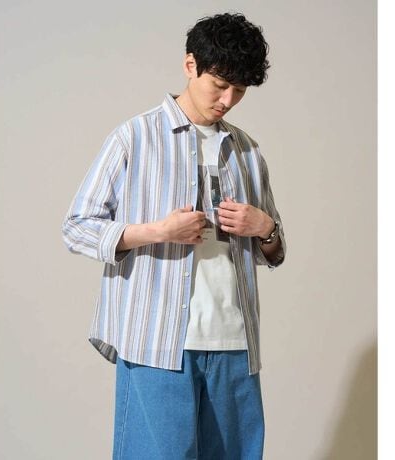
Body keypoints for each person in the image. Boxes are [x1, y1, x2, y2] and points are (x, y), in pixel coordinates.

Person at [62, 12, 286, 460]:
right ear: (190, 65)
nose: (228, 100)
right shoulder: (134, 137)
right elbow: (77, 226)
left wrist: (265, 228)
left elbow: (273, 249)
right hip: (157, 341)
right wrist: (157, 232)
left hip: (234, 343)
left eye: (239, 90)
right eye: (219, 84)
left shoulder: (247, 150)